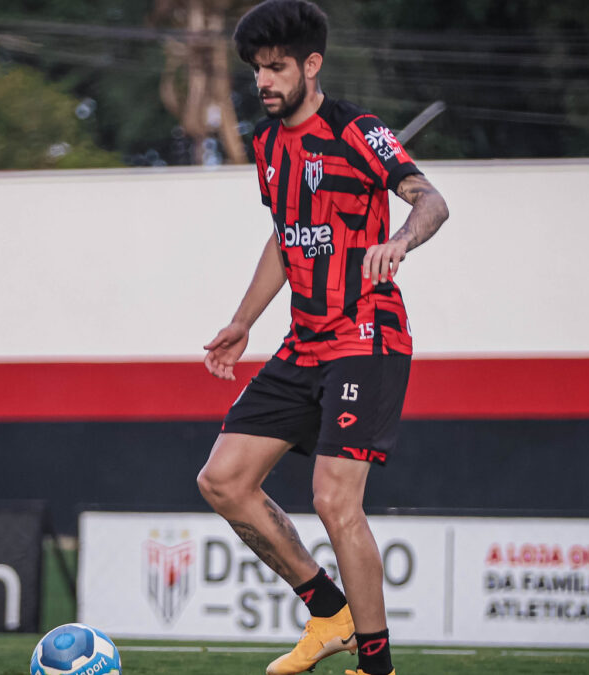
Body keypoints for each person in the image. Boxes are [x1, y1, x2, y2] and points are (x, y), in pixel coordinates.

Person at [196, 2, 449, 674]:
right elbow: (285, 237)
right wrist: (243, 321)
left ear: (312, 64)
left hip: (367, 335)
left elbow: (431, 200)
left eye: (276, 67)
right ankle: (328, 607)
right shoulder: (270, 145)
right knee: (223, 480)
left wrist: (398, 241)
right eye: (257, 69)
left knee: (335, 497)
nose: (265, 81)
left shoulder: (359, 132)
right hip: (303, 342)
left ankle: (375, 665)